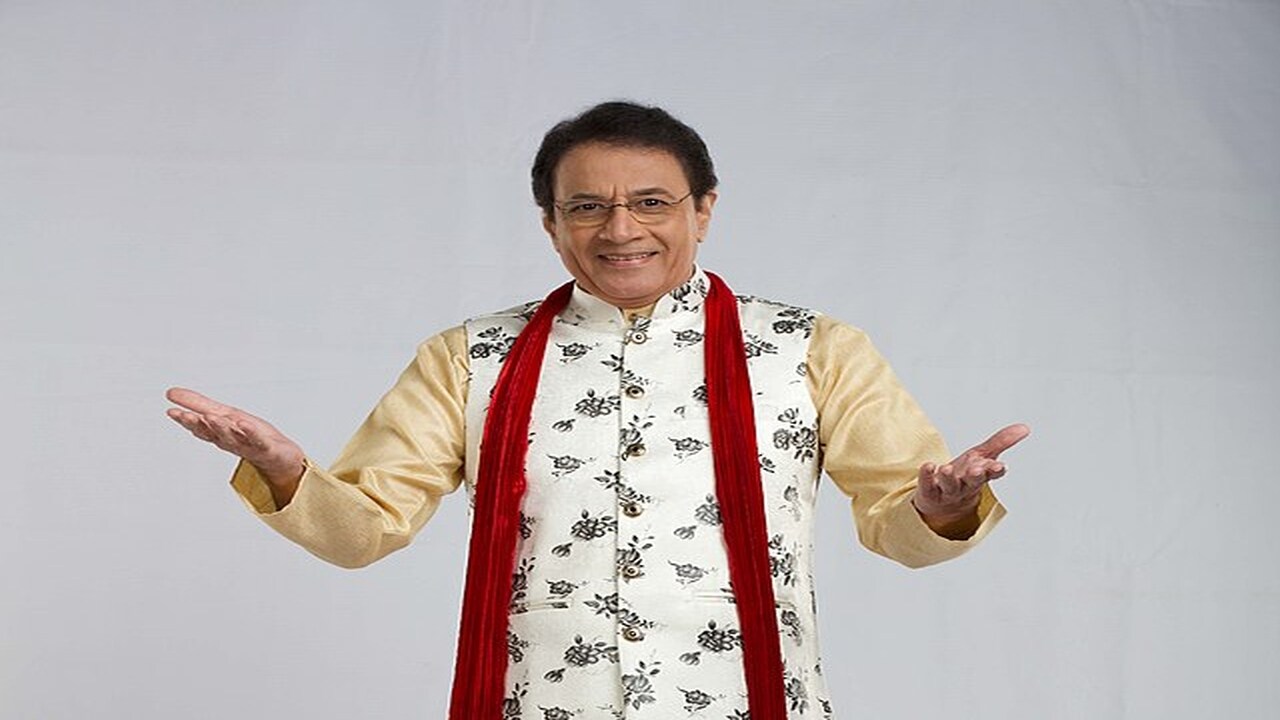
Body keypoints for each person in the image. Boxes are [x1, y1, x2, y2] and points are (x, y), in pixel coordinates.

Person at [166, 101, 1029, 720]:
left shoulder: (813, 349)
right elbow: (365, 529)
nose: (621, 230)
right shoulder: (470, 357)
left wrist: (941, 507)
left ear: (704, 209)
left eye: (651, 202)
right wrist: (284, 469)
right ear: (551, 224)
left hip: (744, 698)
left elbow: (898, 521)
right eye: (587, 207)